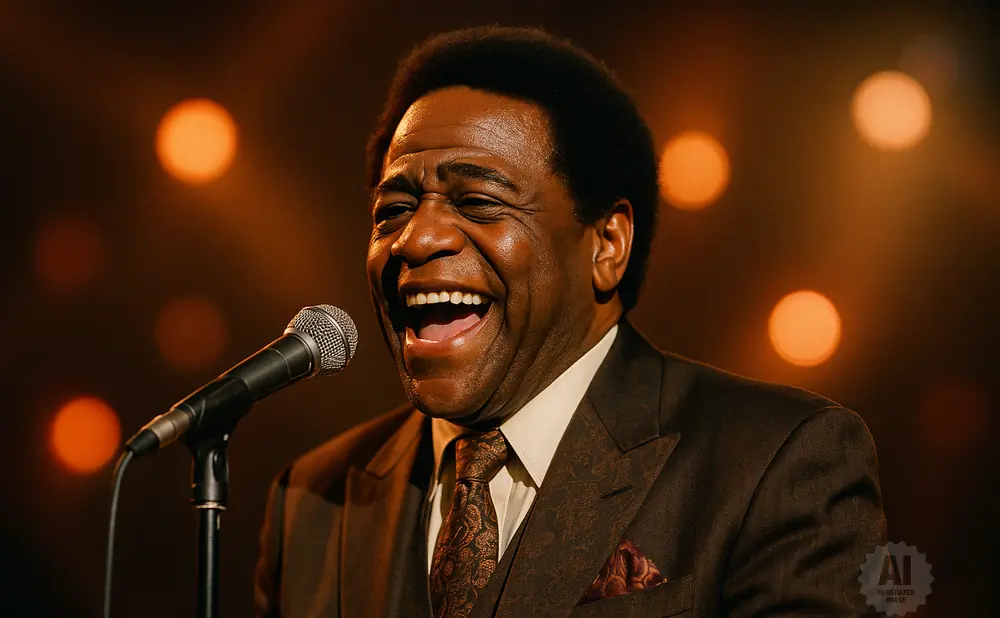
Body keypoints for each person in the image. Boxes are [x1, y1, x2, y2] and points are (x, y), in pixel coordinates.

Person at [253, 26, 886, 618]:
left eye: (477, 201)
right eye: (394, 208)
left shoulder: (776, 464)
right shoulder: (312, 499)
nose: (415, 240)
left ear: (606, 244)